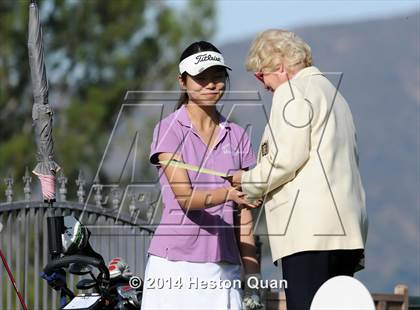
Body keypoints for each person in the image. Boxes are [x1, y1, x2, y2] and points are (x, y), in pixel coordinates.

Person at [230, 30, 368, 310]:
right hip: (348, 233)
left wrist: (245, 182)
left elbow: (285, 159)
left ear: (279, 66)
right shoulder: (335, 96)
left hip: (309, 234)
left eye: (261, 75)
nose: (264, 85)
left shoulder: (292, 92)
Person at [141, 41, 263, 310]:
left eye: (217, 77)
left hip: (224, 265)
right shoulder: (169, 130)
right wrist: (227, 194)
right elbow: (185, 198)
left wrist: (252, 275)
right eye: (201, 78)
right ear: (182, 82)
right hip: (175, 266)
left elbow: (244, 214)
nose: (211, 85)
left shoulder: (238, 135)